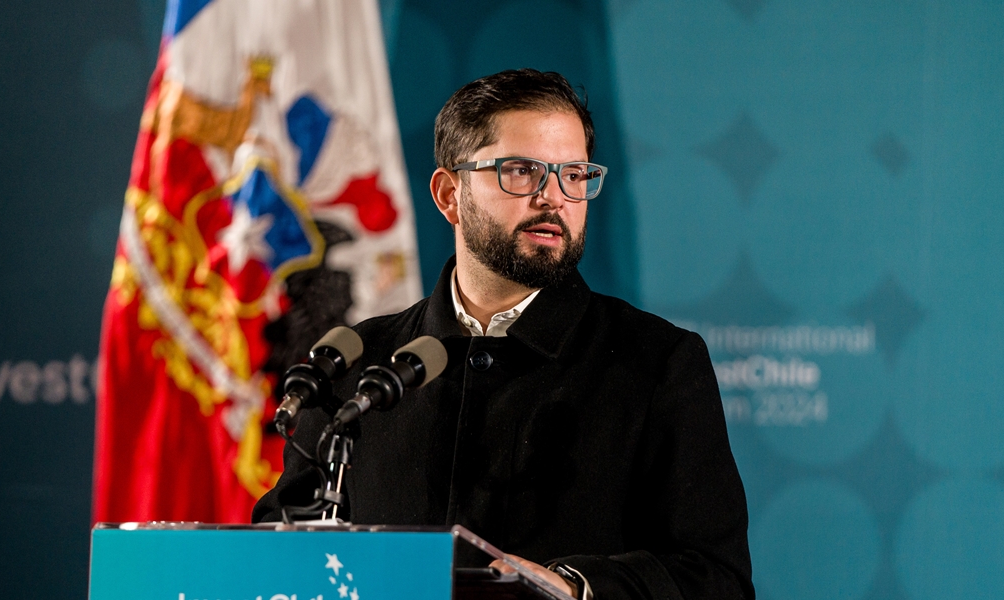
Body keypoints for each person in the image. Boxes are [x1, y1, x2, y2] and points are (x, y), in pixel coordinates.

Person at [253, 69, 754, 599]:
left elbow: (716, 578)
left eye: (574, 174)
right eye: (521, 171)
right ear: (450, 195)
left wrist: (575, 587)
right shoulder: (356, 368)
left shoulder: (656, 362)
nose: (553, 198)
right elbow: (278, 556)